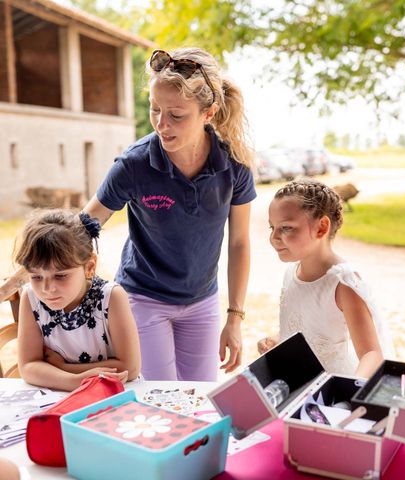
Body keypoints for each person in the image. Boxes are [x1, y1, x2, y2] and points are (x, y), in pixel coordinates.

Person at [1, 48, 256, 382]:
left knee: (200, 397)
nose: (162, 124)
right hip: (143, 297)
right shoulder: (134, 165)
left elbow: (239, 243)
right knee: (155, 395)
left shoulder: (233, 164)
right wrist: (18, 279)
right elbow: (82, 226)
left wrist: (234, 318)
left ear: (208, 113)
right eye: (154, 110)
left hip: (201, 301)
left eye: (176, 115)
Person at [257, 179, 391, 378]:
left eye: (286, 228)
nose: (274, 237)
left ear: (321, 228)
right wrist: (279, 341)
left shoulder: (343, 284)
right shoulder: (291, 274)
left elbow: (371, 353)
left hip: (331, 391)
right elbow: (307, 329)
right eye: (272, 227)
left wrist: (350, 389)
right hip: (295, 384)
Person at [15, 210, 140, 391]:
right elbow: (28, 366)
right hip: (58, 397)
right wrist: (75, 381)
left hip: (114, 395)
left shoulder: (111, 297)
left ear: (89, 267)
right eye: (36, 277)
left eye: (60, 275)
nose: (47, 288)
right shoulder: (31, 298)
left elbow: (130, 368)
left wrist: (64, 368)